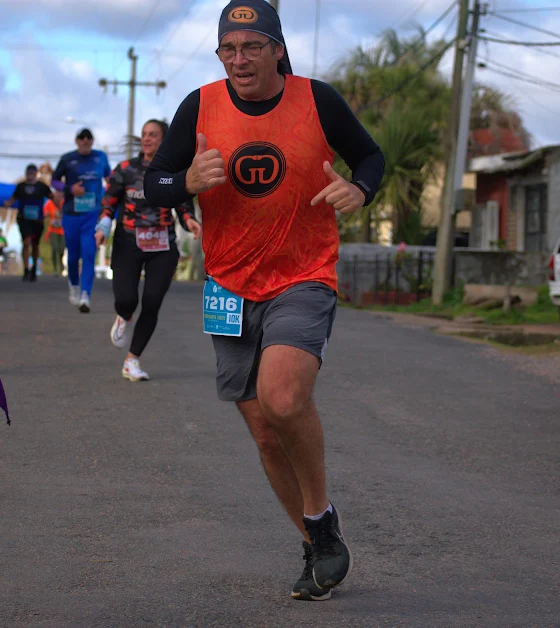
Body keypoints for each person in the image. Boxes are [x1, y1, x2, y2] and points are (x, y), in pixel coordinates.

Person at [144, 0, 384, 602]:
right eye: (229, 49)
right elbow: (155, 182)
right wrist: (185, 182)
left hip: (303, 275)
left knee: (282, 397)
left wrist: (360, 188)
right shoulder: (200, 105)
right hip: (228, 286)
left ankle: (320, 520)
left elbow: (371, 156)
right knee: (266, 434)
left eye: (252, 46)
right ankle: (316, 542)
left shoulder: (317, 99)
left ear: (278, 50)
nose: (240, 59)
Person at [96, 119, 201, 382]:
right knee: (126, 300)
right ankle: (125, 315)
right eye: (144, 134)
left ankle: (132, 360)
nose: (146, 139)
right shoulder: (125, 169)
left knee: (152, 302)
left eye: (153, 135)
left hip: (162, 245)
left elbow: (183, 202)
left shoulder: (174, 171)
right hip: (128, 242)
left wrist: (189, 220)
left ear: (164, 139)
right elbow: (108, 203)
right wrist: (103, 227)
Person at [52, 128, 111, 312]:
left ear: (92, 141)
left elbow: (110, 178)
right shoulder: (67, 159)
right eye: (82, 138)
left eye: (88, 138)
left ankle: (85, 294)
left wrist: (112, 193)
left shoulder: (100, 157)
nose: (85, 141)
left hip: (92, 214)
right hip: (71, 214)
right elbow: (54, 181)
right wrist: (70, 189)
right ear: (77, 141)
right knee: (73, 256)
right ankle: (74, 284)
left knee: (89, 253)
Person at [3, 164, 52, 282]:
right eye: (28, 173)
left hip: (38, 220)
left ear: (36, 174)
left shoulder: (42, 187)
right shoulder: (21, 186)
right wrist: (7, 204)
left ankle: (34, 268)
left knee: (35, 245)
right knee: (26, 242)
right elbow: (13, 199)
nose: (30, 175)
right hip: (24, 219)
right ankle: (26, 269)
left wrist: (61, 209)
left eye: (32, 173)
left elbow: (52, 197)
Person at [44, 181, 66, 277]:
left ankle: (60, 262)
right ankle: (55, 268)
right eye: (57, 192)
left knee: (61, 248)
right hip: (53, 230)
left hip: (63, 230)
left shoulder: (65, 203)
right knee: (54, 248)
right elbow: (45, 213)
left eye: (60, 192)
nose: (59, 194)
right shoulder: (50, 203)